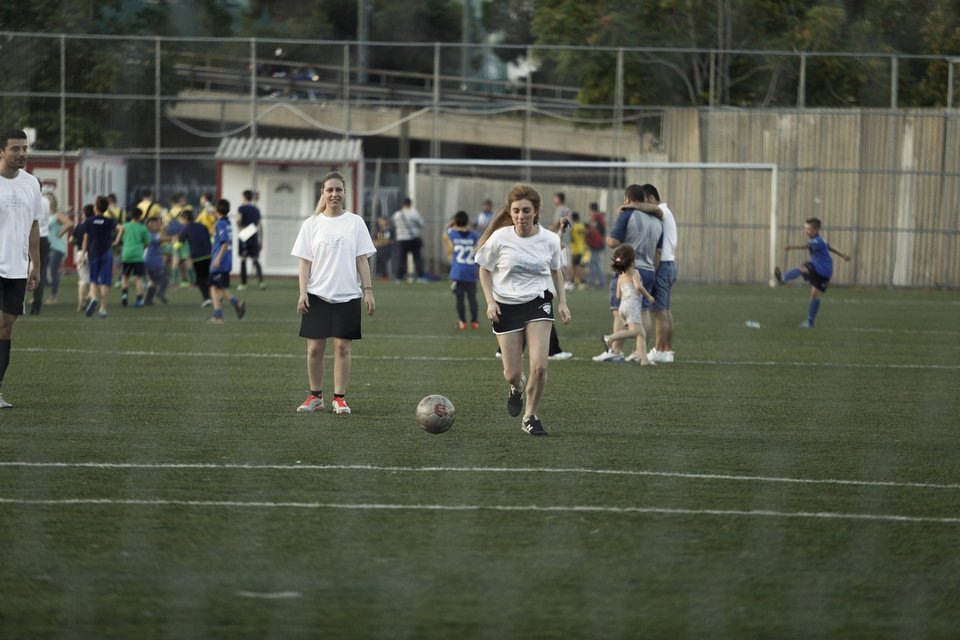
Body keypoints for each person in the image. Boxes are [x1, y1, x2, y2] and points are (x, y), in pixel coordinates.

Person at [474, 184, 571, 436]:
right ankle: (516, 388)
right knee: (512, 373)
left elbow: (556, 271)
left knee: (540, 367)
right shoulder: (500, 238)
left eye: (526, 211)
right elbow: (484, 269)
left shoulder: (550, 239)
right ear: (510, 211)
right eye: (516, 211)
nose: (520, 216)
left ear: (536, 211)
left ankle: (530, 416)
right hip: (505, 305)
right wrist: (490, 302)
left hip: (538, 301)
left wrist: (562, 302)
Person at [291, 171, 376, 415]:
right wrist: (302, 292)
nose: (334, 194)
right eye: (330, 190)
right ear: (322, 193)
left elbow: (362, 259)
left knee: (342, 348)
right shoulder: (312, 223)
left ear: (345, 193)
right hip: (317, 295)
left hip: (348, 295)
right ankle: (315, 396)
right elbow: (304, 262)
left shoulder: (355, 222)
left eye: (339, 190)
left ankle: (339, 398)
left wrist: (368, 291)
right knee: (314, 349)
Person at [593, 185, 663, 362]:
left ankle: (615, 351)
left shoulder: (627, 214)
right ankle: (641, 353)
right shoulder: (657, 221)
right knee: (645, 311)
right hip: (648, 269)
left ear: (626, 199)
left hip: (629, 269)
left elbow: (612, 242)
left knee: (618, 310)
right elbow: (658, 252)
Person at [0, 129, 42, 408]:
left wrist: (35, 264)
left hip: (16, 268)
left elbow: (34, 224)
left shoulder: (32, 183)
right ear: (1, 152)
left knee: (5, 328)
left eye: (24, 148)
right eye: (15, 148)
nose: (22, 153)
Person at [774, 217, 850, 328]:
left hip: (822, 269)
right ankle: (809, 322)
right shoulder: (821, 239)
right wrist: (842, 254)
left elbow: (807, 246)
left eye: (808, 229)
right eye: (805, 228)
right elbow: (829, 246)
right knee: (814, 294)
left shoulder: (815, 241)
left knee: (803, 268)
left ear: (815, 230)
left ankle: (783, 278)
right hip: (823, 270)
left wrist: (791, 247)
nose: (806, 231)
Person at [642, 184, 679, 363]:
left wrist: (629, 206)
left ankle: (658, 350)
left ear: (649, 198)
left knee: (659, 312)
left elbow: (649, 208)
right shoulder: (666, 212)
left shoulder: (662, 210)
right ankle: (667, 350)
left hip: (663, 266)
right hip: (670, 264)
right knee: (666, 310)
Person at [603, 245, 656, 365]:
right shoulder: (635, 272)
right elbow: (638, 286)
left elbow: (617, 295)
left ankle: (644, 360)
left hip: (623, 307)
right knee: (635, 332)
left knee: (641, 333)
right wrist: (648, 296)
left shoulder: (621, 275)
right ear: (632, 260)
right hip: (632, 307)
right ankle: (610, 338)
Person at [80, 195, 118, 318]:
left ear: (95, 207)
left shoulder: (89, 221)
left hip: (93, 253)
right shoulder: (109, 221)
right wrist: (116, 241)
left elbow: (86, 238)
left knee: (94, 279)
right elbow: (121, 228)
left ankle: (93, 298)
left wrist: (83, 255)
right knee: (105, 282)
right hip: (106, 253)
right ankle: (103, 309)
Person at [208, 199, 246, 323]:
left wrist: (218, 258)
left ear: (217, 210)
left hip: (220, 261)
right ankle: (236, 303)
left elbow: (224, 243)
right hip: (226, 260)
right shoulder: (227, 222)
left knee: (213, 287)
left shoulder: (220, 224)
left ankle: (218, 315)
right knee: (219, 288)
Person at [445, 210, 480, 330]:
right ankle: (475, 322)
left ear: (456, 221)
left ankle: (462, 322)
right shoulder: (474, 235)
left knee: (459, 297)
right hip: (471, 271)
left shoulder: (452, 234)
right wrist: (468, 223)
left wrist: (454, 221)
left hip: (458, 272)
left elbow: (447, 228)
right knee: (472, 297)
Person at [114, 208, 151, 308]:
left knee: (125, 276)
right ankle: (139, 300)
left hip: (126, 254)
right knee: (138, 278)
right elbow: (147, 242)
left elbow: (119, 240)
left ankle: (125, 296)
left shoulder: (124, 226)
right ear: (140, 217)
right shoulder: (142, 228)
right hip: (138, 255)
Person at [178, 208, 213, 307]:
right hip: (208, 254)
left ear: (185, 218)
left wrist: (174, 245)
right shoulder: (202, 226)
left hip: (197, 257)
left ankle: (207, 298)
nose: (182, 222)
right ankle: (217, 294)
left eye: (182, 220)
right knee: (207, 277)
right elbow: (210, 237)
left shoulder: (187, 228)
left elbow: (180, 243)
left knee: (200, 279)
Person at [44, 191, 71, 305]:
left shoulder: (57, 215)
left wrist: (61, 233)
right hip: (46, 246)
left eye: (49, 199)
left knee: (54, 271)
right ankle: (38, 295)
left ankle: (53, 297)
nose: (47, 201)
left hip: (56, 247)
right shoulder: (44, 215)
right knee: (42, 271)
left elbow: (69, 223)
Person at [236, 189, 265, 290]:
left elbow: (238, 220)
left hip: (244, 235)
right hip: (254, 235)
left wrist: (240, 229)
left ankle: (244, 284)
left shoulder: (241, 208)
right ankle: (261, 282)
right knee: (255, 259)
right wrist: (261, 240)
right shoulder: (256, 209)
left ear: (244, 197)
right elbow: (260, 226)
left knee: (243, 259)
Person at [392, 197, 426, 283]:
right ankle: (420, 277)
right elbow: (421, 224)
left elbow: (395, 225)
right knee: (417, 258)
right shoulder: (414, 213)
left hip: (401, 239)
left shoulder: (397, 214)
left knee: (401, 259)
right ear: (410, 204)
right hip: (412, 238)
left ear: (402, 204)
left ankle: (398, 278)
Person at [29, 186, 52, 314]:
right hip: (44, 237)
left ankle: (19, 301)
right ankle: (37, 304)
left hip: (30, 236)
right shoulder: (45, 201)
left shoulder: (31, 199)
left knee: (22, 270)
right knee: (40, 271)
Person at [143, 215, 169, 306]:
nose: (159, 225)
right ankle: (160, 293)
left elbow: (162, 238)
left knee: (155, 281)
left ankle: (148, 300)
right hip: (152, 261)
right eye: (157, 223)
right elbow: (162, 239)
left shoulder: (155, 233)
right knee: (164, 277)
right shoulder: (149, 234)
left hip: (155, 261)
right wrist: (172, 238)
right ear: (150, 225)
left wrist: (165, 230)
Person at [72, 205, 94, 311]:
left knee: (82, 280)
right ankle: (90, 297)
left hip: (80, 252)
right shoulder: (93, 225)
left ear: (84, 214)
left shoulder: (80, 226)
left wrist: (78, 242)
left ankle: (81, 303)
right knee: (93, 279)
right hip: (93, 253)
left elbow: (71, 240)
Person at [585, 202, 606, 289]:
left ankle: (597, 283)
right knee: (594, 263)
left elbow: (593, 227)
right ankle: (593, 282)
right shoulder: (600, 217)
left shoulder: (596, 216)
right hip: (598, 243)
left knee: (595, 264)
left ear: (591, 209)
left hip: (596, 244)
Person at [568, 211, 587, 289]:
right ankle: (578, 281)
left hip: (575, 249)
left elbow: (572, 239)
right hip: (582, 248)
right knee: (578, 266)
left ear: (572, 218)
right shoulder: (582, 226)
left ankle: (580, 281)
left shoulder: (573, 227)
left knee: (575, 266)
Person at [373, 215, 395, 280]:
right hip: (379, 249)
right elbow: (374, 239)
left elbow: (392, 240)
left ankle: (388, 274)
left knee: (385, 256)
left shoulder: (391, 230)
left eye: (381, 221)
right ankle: (382, 274)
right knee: (380, 257)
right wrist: (377, 243)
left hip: (389, 249)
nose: (379, 222)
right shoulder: (377, 230)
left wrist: (384, 242)